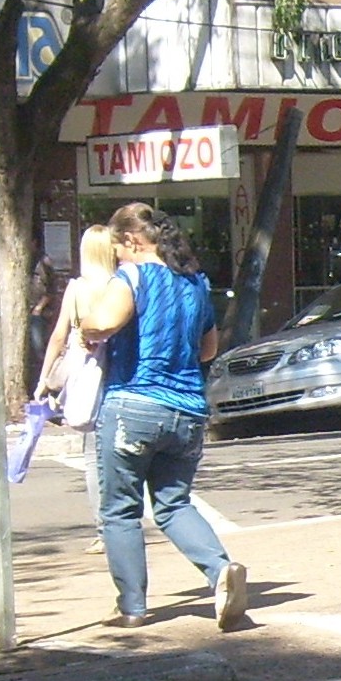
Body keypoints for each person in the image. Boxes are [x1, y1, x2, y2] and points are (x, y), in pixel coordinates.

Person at [76, 201, 249, 632]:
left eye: (118, 247)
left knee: (119, 511)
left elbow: (103, 321)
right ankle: (220, 571)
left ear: (133, 241)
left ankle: (132, 606)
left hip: (133, 405)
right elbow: (207, 350)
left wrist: (85, 328)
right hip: (188, 411)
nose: (117, 255)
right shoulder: (195, 283)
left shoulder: (132, 276)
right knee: (173, 504)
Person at [34, 224, 117, 554]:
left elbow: (58, 336)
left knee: (93, 456)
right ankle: (124, 522)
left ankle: (104, 529)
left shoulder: (78, 288)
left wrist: (45, 379)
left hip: (88, 379)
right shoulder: (121, 285)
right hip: (121, 376)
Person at [25, 251, 58, 384]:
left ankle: (43, 381)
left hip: (39, 313)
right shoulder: (29, 262)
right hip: (28, 310)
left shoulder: (42, 262)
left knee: (39, 348)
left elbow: (50, 289)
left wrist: (39, 307)